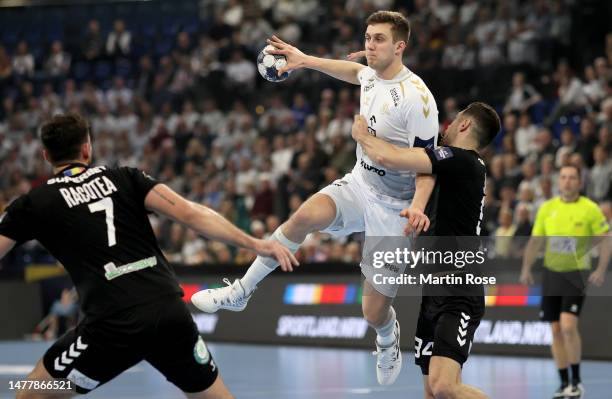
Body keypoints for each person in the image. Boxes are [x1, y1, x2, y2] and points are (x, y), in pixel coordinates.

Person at [192, 10, 439, 385]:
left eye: (379, 40)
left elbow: (428, 164)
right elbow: (352, 72)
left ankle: (387, 339)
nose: (369, 45)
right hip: (361, 185)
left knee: (373, 312)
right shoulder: (370, 74)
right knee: (303, 217)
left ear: (400, 46)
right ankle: (241, 291)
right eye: (368, 37)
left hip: (397, 207)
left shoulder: (417, 99)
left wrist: (417, 206)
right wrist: (303, 59)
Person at [0, 113, 297, 398]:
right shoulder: (125, 177)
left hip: (111, 327)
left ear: (45, 156)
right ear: (87, 148)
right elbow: (191, 214)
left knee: (34, 392)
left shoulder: (34, 203)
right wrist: (256, 243)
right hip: (168, 313)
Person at [352, 101, 500, 399]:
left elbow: (388, 157)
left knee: (444, 386)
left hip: (459, 290)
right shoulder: (452, 166)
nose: (446, 126)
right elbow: (421, 174)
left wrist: (363, 135)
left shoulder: (462, 160)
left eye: (454, 119)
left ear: (465, 125)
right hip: (433, 291)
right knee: (431, 392)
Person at [520, 164, 611, 399]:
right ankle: (563, 384)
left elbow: (606, 238)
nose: (568, 181)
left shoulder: (590, 209)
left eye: (572, 177)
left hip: (576, 274)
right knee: (556, 329)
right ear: (558, 182)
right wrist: (526, 268)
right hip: (552, 273)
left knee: (568, 326)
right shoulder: (547, 208)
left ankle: (577, 382)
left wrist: (600, 268)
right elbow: (536, 241)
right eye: (564, 177)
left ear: (579, 182)